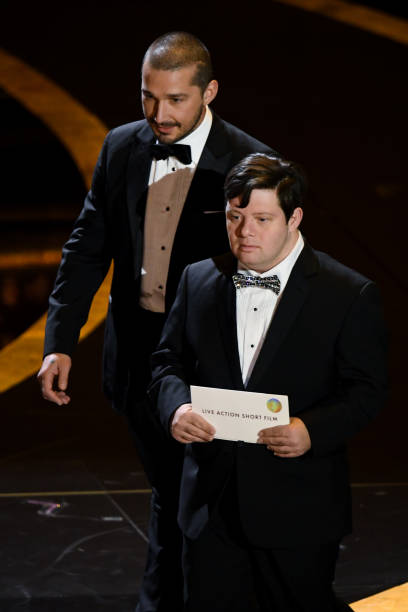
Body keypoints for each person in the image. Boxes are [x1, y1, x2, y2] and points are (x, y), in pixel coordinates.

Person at [36, 32, 275, 612]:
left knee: (196, 497)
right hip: (139, 355)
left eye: (175, 100)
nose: (159, 114)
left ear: (209, 92)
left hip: (213, 363)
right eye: (148, 97)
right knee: (170, 489)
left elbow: (271, 273)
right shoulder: (121, 146)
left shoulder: (251, 164)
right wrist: (59, 342)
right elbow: (87, 247)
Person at [148, 153, 388, 612]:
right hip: (210, 506)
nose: (244, 232)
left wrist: (311, 429)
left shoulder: (347, 292)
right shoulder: (199, 279)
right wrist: (176, 407)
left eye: (262, 219)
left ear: (294, 218)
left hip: (298, 508)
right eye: (234, 217)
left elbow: (367, 389)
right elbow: (167, 362)